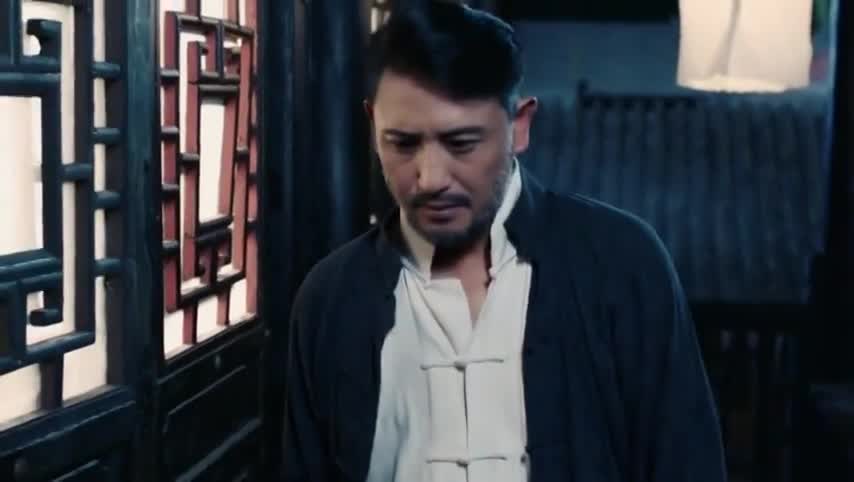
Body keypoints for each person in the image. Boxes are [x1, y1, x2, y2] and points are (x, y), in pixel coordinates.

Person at [282, 2, 727, 482]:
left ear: (519, 125)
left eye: (461, 143)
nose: (430, 178)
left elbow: (686, 464)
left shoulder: (623, 265)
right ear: (373, 127)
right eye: (403, 143)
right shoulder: (332, 298)